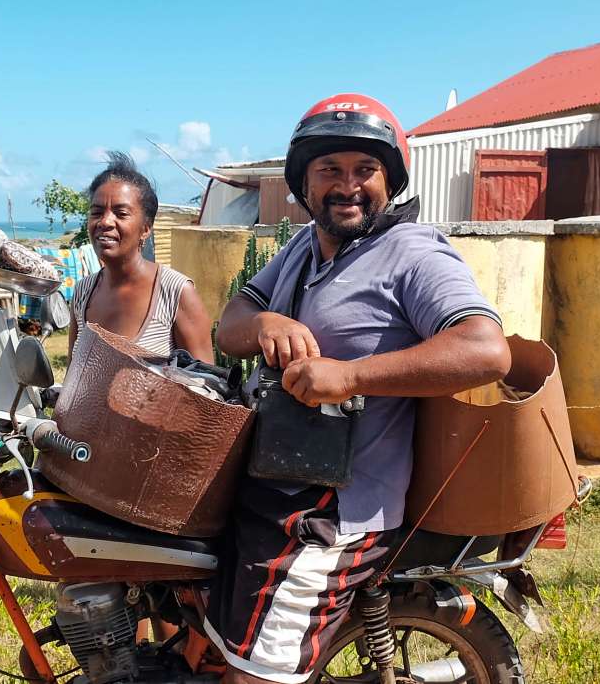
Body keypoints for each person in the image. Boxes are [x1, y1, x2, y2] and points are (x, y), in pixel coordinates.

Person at [210, 93, 512, 683]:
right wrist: (268, 321)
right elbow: (230, 325)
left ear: (389, 181)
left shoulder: (413, 252)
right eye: (329, 170)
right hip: (274, 482)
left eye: (364, 170)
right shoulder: (303, 247)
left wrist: (350, 376)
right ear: (303, 183)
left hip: (335, 510)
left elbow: (486, 349)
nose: (347, 185)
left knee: (255, 676)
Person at [68, 151, 213, 360]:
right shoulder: (82, 293)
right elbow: (74, 377)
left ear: (145, 229)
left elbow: (205, 385)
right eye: (97, 212)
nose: (105, 222)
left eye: (121, 213)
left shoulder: (175, 293)